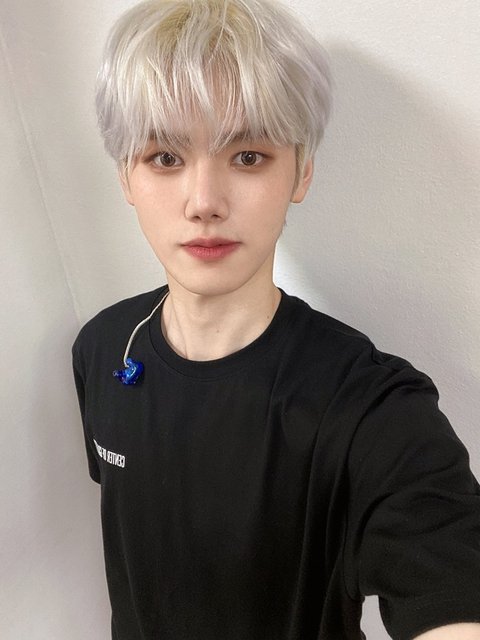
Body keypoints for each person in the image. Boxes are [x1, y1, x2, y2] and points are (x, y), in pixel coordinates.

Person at [72, 0, 480, 638]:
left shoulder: (369, 408)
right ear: (126, 175)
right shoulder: (102, 348)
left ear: (301, 171)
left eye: (248, 156)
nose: (204, 203)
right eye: (165, 157)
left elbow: (447, 573)